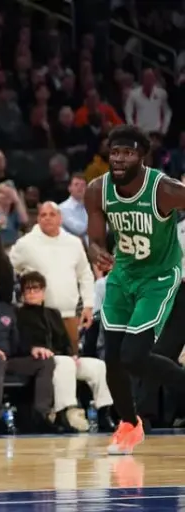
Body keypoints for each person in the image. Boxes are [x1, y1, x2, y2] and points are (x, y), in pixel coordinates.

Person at [86, 124, 185, 455]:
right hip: (123, 274)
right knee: (112, 358)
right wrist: (97, 250)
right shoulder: (97, 190)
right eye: (115, 152)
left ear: (142, 156)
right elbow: (95, 237)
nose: (119, 158)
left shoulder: (165, 190)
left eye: (128, 152)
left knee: (133, 356)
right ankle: (129, 424)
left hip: (157, 277)